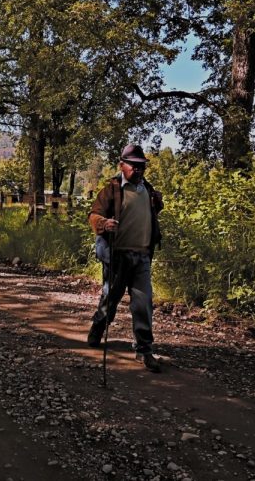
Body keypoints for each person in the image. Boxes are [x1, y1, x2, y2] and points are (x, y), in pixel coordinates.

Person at [86, 144, 164, 372]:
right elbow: (94, 214)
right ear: (122, 165)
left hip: (141, 256)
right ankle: (98, 327)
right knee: (111, 297)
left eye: (142, 166)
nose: (138, 170)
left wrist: (158, 203)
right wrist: (103, 223)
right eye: (134, 166)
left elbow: (150, 214)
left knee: (143, 303)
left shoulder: (147, 190)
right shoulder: (112, 189)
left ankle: (144, 350)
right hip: (117, 256)